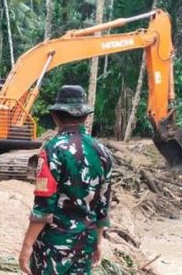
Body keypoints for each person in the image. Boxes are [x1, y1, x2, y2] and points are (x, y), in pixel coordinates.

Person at [19, 85, 113, 275]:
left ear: (56, 117)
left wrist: (27, 245)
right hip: (86, 241)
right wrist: (97, 241)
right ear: (85, 117)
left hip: (54, 245)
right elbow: (103, 205)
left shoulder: (53, 150)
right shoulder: (103, 152)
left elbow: (44, 204)